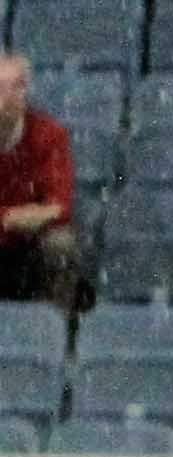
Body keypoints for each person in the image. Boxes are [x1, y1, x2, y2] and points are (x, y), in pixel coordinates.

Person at [0, 54, 74, 309]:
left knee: (59, 244)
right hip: (12, 229)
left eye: (4, 89)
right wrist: (11, 217)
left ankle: (56, 331)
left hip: (29, 245)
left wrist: (14, 219)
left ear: (22, 93)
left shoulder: (49, 134)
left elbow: (59, 206)